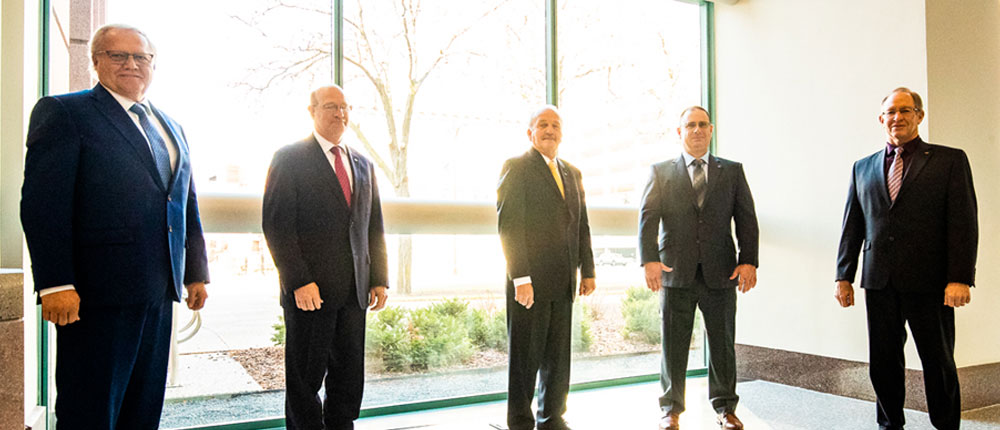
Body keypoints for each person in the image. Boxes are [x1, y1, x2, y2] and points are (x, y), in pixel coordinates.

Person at [19, 24, 210, 429]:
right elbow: (43, 205)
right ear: (96, 62)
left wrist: (196, 272)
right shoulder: (66, 113)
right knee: (90, 411)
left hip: (159, 292)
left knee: (143, 410)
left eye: (141, 57)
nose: (131, 64)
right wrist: (55, 283)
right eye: (118, 55)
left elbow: (184, 203)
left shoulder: (170, 125)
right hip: (96, 295)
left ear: (153, 64)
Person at [835, 87, 977, 430]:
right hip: (879, 281)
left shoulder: (949, 161)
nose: (897, 117)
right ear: (881, 118)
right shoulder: (862, 167)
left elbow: (963, 223)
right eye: (891, 112)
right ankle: (889, 425)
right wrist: (844, 275)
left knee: (938, 362)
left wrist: (960, 277)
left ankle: (946, 425)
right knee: (883, 363)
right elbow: (853, 224)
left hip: (931, 282)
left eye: (905, 110)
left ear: (919, 116)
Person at [262, 85, 389, 430]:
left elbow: (373, 226)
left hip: (354, 291)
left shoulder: (363, 163)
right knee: (305, 378)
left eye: (345, 107)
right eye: (331, 106)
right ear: (312, 111)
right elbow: (277, 226)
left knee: (348, 376)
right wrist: (298, 281)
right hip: (310, 292)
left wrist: (379, 278)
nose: (340, 113)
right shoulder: (289, 158)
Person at [638, 106, 758, 430]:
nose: (697, 130)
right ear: (680, 132)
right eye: (690, 125)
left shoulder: (732, 171)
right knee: (673, 346)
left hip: (722, 272)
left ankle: (726, 409)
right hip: (674, 271)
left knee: (722, 345)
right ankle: (670, 410)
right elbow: (648, 219)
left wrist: (748, 261)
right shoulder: (660, 171)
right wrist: (649, 260)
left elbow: (746, 219)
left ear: (711, 129)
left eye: (702, 124)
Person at [497, 105, 596, 430]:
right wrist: (520, 277)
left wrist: (588, 270)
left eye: (555, 125)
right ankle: (520, 422)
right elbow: (509, 226)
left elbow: (581, 226)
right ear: (530, 132)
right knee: (525, 360)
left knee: (557, 358)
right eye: (542, 125)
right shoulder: (517, 167)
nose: (549, 130)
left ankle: (552, 417)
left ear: (562, 133)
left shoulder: (572, 173)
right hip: (530, 283)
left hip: (564, 281)